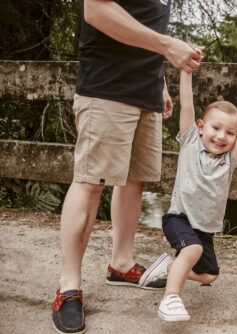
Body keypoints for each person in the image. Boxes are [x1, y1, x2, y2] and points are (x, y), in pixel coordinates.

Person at [51, 0, 204, 333]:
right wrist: (167, 47)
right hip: (107, 85)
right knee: (91, 182)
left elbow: (146, 22)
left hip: (145, 89)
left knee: (134, 180)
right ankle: (68, 287)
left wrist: (159, 81)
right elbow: (96, 10)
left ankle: (121, 263)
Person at [149, 70, 237, 322]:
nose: (221, 136)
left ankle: (169, 268)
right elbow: (187, 103)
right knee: (192, 248)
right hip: (179, 217)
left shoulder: (229, 160)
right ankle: (170, 298)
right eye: (216, 128)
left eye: (230, 132)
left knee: (210, 275)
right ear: (200, 127)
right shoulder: (190, 142)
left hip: (204, 228)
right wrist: (185, 73)